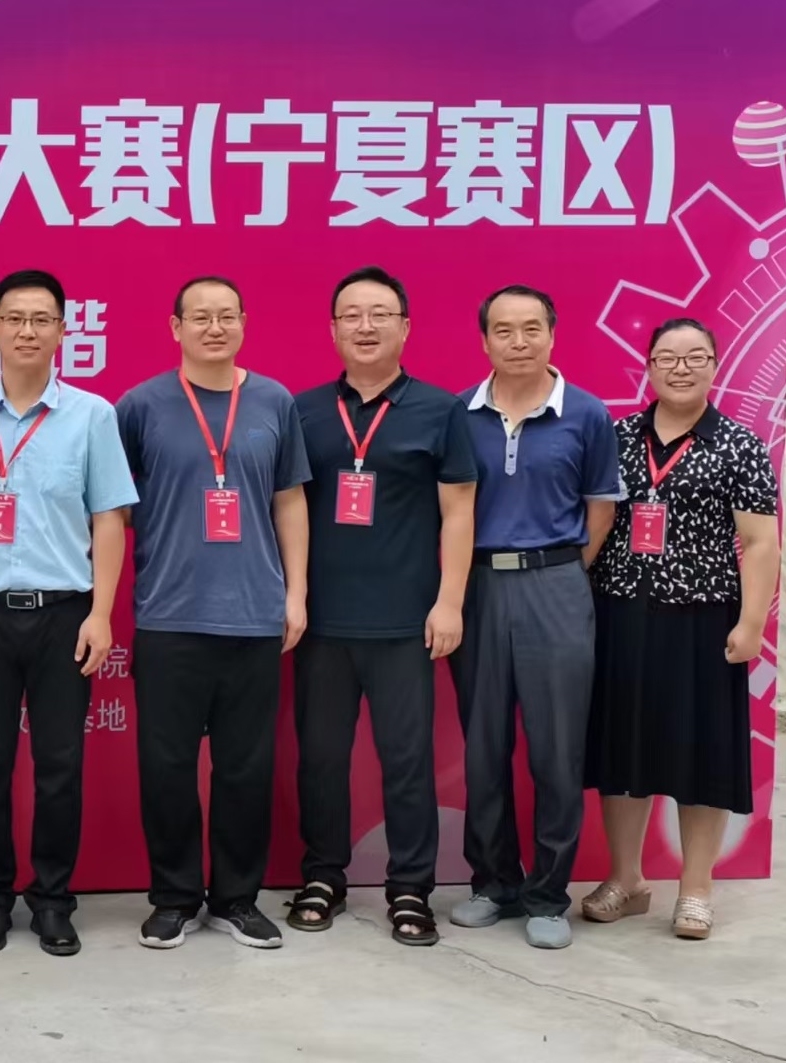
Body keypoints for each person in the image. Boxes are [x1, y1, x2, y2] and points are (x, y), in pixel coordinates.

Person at [0, 269, 135, 957]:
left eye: (41, 319)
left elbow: (109, 519)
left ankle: (52, 898)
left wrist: (101, 613)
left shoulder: (92, 414)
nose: (27, 331)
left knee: (59, 766)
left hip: (64, 615)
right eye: (15, 318)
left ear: (62, 331)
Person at [117, 276, 309, 952]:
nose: (214, 327)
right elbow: (111, 509)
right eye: (199, 317)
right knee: (166, 767)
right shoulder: (140, 405)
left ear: (244, 323)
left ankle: (235, 898)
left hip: (253, 615)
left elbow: (289, 500)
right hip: (168, 615)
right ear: (175, 327)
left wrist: (295, 593)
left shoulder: (274, 401)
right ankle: (173, 897)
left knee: (244, 768)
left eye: (226, 315)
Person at [289, 267, 476, 947]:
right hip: (320, 622)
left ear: (404, 326)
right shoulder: (302, 410)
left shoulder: (440, 409)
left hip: (405, 621)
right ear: (332, 328)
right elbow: (286, 508)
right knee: (320, 758)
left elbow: (459, 510)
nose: (364, 326)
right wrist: (292, 596)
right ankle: (323, 875)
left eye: (379, 314)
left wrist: (449, 601)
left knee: (407, 761)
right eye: (351, 315)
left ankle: (410, 887)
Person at [581, 318, 776, 941]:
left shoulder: (738, 444)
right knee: (622, 749)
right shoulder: (615, 437)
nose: (681, 368)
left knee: (702, 753)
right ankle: (626, 880)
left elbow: (760, 541)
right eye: (667, 357)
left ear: (715, 365)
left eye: (695, 357)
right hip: (619, 614)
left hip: (703, 621)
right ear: (649, 367)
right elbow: (595, 522)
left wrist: (751, 623)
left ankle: (695, 888)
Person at [450, 285, 622, 950]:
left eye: (531, 328)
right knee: (482, 746)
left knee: (556, 749)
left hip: (556, 584)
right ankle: (493, 882)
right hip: (477, 587)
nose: (517, 341)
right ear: (483, 340)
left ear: (552, 334)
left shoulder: (586, 413)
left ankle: (548, 894)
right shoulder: (460, 414)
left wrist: (558, 570)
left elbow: (599, 511)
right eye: (503, 330)